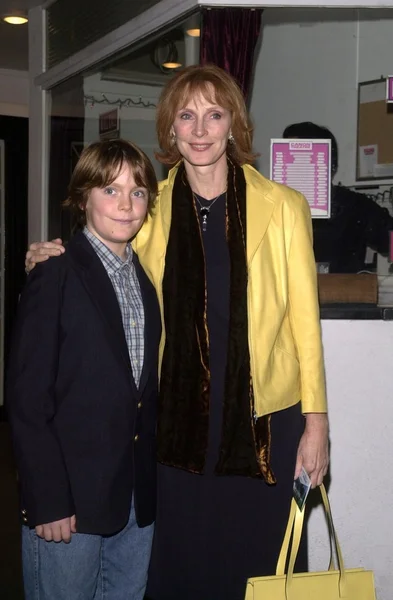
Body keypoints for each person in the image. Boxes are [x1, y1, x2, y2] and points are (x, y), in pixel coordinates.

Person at [25, 65, 329, 600]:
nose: (201, 129)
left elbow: (306, 325)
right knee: (181, 562)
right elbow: (106, 258)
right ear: (170, 130)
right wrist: (56, 255)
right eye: (186, 116)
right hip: (177, 426)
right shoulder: (151, 207)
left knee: (260, 564)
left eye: (214, 114)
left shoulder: (283, 207)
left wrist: (317, 423)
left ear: (234, 123)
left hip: (263, 424)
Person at [8, 139, 161, 600]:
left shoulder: (144, 280)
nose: (125, 204)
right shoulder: (55, 272)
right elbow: (27, 399)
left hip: (134, 500)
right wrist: (47, 499)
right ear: (82, 198)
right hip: (68, 504)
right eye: (110, 190)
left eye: (137, 193)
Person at [283, 121, 393, 273]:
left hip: (342, 294)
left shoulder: (355, 207)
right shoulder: (275, 208)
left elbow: (389, 236)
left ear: (330, 165)